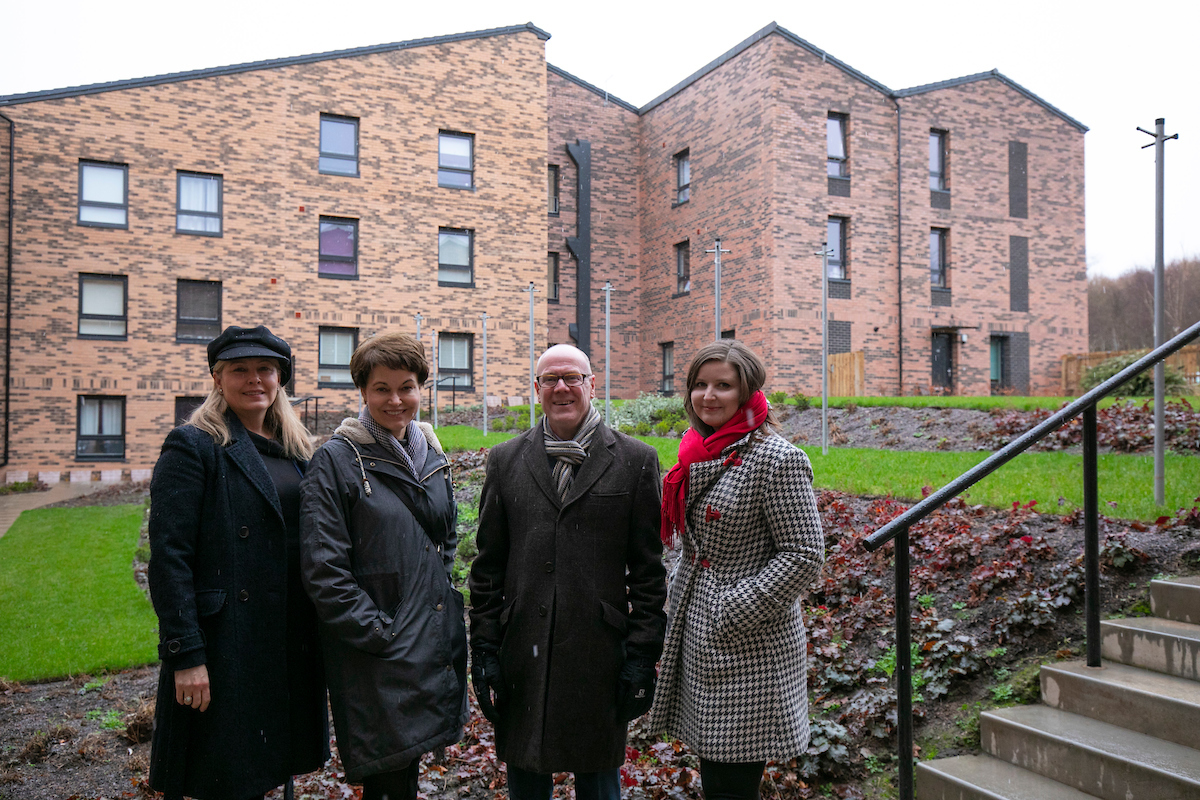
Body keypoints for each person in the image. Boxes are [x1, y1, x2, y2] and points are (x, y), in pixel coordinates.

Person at [469, 344, 667, 800]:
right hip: (523, 651)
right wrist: (483, 649)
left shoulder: (636, 461)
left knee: (599, 785)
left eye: (572, 377)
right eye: (550, 379)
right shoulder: (505, 460)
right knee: (526, 779)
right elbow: (487, 567)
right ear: (536, 389)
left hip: (598, 656)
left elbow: (648, 572)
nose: (561, 387)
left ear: (592, 385)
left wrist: (641, 656)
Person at [148, 325, 329, 800]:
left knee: (275, 766)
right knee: (228, 779)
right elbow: (170, 557)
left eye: (265, 370)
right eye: (239, 370)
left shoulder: (297, 451)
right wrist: (186, 655)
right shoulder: (194, 445)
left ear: (280, 379)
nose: (255, 380)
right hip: (227, 644)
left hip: (288, 636)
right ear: (217, 377)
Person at [648, 339, 825, 800]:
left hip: (748, 645)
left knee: (731, 781)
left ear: (747, 393)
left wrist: (732, 608)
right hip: (700, 631)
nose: (708, 396)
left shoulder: (777, 459)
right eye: (700, 385)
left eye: (723, 386)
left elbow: (805, 554)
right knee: (716, 772)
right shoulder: (696, 452)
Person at [300, 332, 467, 800]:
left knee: (406, 773)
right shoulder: (336, 460)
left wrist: (436, 589)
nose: (396, 400)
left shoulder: (429, 451)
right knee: (388, 779)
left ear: (421, 388)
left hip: (426, 637)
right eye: (382, 389)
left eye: (407, 387)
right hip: (377, 651)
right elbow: (323, 569)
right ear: (363, 392)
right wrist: (380, 630)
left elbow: (446, 533)